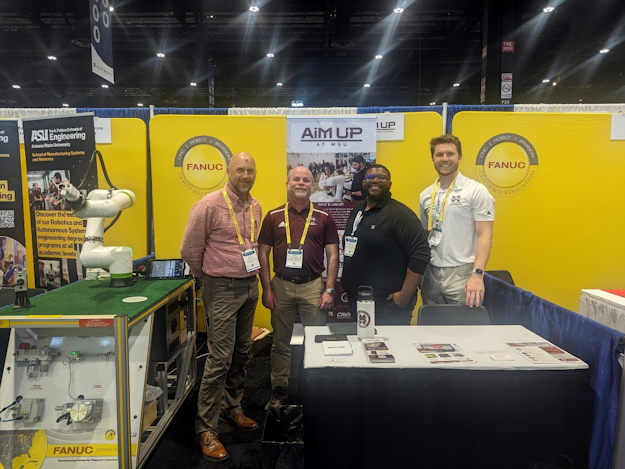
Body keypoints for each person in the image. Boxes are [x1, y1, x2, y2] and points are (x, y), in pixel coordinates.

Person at [180, 152, 262, 463]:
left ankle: (232, 407)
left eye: (250, 170)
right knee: (219, 358)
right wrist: (210, 278)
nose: (245, 175)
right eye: (240, 170)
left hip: (249, 286)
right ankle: (206, 429)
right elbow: (189, 249)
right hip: (222, 288)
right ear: (228, 171)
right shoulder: (209, 205)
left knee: (242, 351)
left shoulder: (255, 205)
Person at [258, 166, 339, 409]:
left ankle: (314, 387)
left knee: (315, 340)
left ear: (312, 186)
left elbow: (333, 255)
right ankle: (279, 390)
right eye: (296, 179)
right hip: (280, 286)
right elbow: (263, 254)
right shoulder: (273, 216)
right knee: (280, 342)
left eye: (306, 180)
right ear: (287, 184)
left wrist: (329, 289)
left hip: (313, 286)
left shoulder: (324, 217)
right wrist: (267, 289)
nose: (301, 183)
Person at [342, 164, 430, 324]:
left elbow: (421, 253)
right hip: (358, 300)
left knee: (390, 349)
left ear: (389, 184)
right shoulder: (357, 212)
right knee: (361, 346)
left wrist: (404, 295)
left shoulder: (400, 214)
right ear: (363, 183)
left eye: (381, 177)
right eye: (370, 177)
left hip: (388, 305)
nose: (375, 180)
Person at [419, 134, 495, 308]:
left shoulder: (476, 191)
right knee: (433, 329)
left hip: (463, 274)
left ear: (460, 157)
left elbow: (485, 235)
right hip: (431, 272)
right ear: (432, 159)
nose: (445, 159)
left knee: (463, 330)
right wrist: (421, 272)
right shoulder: (425, 195)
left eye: (450, 154)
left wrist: (477, 275)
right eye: (439, 155)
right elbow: (425, 235)